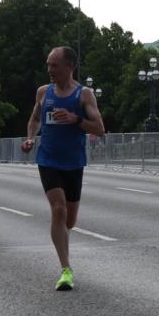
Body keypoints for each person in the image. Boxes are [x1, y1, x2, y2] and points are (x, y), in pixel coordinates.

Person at [21, 46, 105, 291]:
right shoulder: (43, 93)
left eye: (54, 65)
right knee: (58, 210)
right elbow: (35, 118)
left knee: (69, 219)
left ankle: (61, 241)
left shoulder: (84, 95)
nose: (49, 70)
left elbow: (99, 128)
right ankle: (65, 269)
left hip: (74, 162)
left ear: (69, 67)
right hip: (48, 159)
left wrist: (75, 119)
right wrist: (29, 138)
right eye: (48, 65)